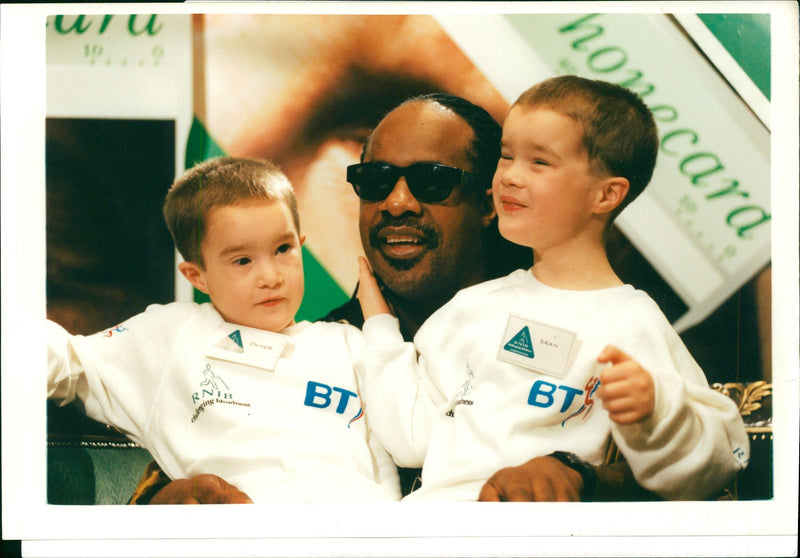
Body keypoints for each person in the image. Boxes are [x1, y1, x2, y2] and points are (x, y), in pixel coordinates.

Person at [135, 92, 662, 504]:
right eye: (376, 179)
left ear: (490, 202)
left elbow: (693, 466)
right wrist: (160, 503)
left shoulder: (589, 319)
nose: (396, 203)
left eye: (431, 181)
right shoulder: (314, 344)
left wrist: (577, 478)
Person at [355, 76, 750, 501]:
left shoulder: (632, 321)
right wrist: (379, 327)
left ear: (606, 195)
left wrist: (658, 412)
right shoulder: (469, 308)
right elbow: (410, 437)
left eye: (539, 162)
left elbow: (725, 455)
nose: (509, 177)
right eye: (507, 157)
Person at [47, 157, 401, 503]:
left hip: (350, 532)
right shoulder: (173, 335)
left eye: (282, 249)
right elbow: (67, 360)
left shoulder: (347, 342)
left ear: (301, 244)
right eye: (243, 261)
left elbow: (383, 463)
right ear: (197, 276)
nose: (271, 277)